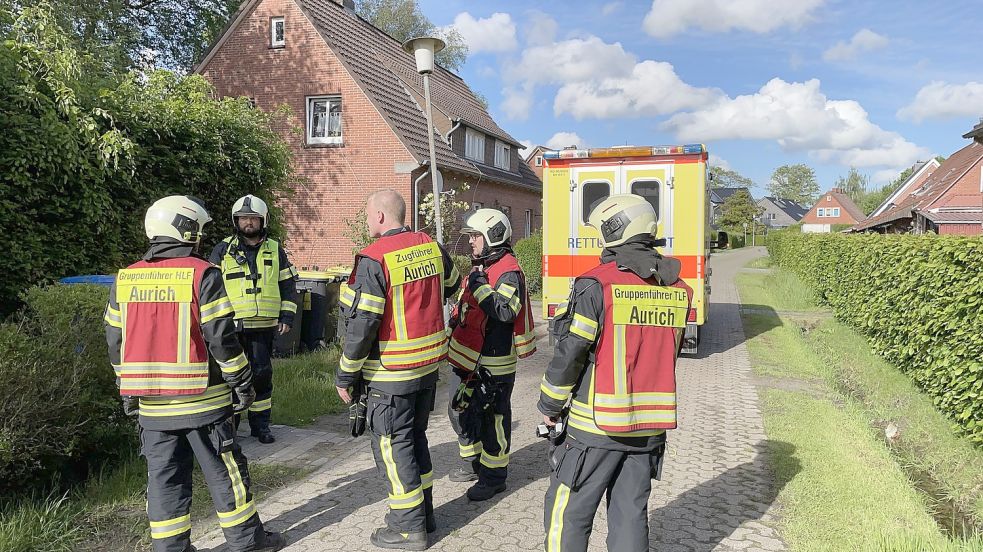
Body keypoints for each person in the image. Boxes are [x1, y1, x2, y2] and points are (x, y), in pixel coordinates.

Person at [105, 195, 285, 552]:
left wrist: (126, 389)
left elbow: (115, 342)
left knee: (164, 480)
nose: (201, 238)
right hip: (205, 401)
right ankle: (246, 542)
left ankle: (171, 548)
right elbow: (221, 337)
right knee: (225, 472)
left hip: (153, 409)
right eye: (198, 230)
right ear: (186, 230)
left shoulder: (125, 279)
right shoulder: (202, 273)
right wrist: (242, 383)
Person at [538, 194, 692, 552]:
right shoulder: (678, 289)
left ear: (614, 230)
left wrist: (549, 404)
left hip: (595, 428)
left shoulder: (597, 284)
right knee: (630, 516)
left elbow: (571, 352)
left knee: (569, 514)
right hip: (650, 428)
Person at [335, 189, 460, 550]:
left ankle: (407, 530)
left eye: (367, 213)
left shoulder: (373, 258)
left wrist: (345, 375)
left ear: (378, 217)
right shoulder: (430, 246)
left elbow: (363, 325)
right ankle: (425, 516)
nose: (366, 220)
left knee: (393, 448)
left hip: (391, 373)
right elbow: (450, 284)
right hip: (426, 369)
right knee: (415, 439)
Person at [446, 208, 536, 501]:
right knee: (463, 410)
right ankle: (473, 464)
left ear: (493, 236)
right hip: (469, 357)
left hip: (494, 361)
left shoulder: (507, 269)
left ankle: (494, 476)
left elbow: (504, 310)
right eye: (471, 236)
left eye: (475, 236)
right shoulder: (483, 265)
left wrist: (480, 287)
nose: (471, 242)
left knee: (494, 419)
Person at [210, 195, 298, 444]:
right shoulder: (222, 249)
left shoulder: (274, 248)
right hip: (231, 328)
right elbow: (210, 288)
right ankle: (231, 428)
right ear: (235, 221)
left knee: (261, 376)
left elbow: (288, 285)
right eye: (243, 218)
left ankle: (261, 427)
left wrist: (287, 315)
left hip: (264, 328)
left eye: (253, 218)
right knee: (231, 377)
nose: (248, 222)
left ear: (263, 221)